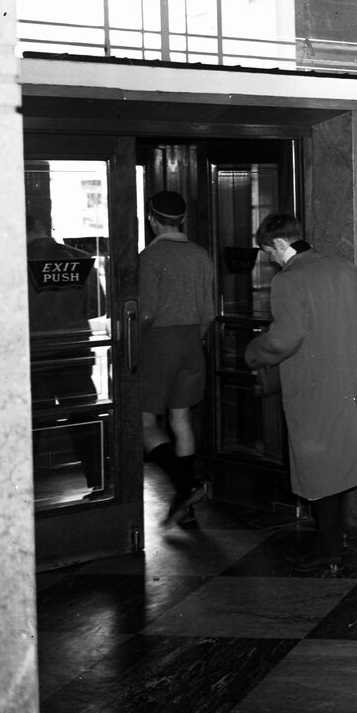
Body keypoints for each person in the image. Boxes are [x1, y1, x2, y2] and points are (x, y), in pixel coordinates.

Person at [245, 214, 357, 569]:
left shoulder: (288, 278)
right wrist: (342, 330)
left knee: (316, 459)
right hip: (346, 375)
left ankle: (328, 551)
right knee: (338, 455)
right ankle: (333, 543)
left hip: (310, 380)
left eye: (267, 252)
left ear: (278, 245)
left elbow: (285, 338)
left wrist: (253, 352)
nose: (270, 259)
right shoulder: (341, 267)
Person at [138, 190, 216, 528]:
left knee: (143, 422)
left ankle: (186, 486)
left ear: (153, 220)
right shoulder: (201, 255)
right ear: (181, 220)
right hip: (192, 341)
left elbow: (145, 313)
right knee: (181, 419)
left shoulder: (149, 258)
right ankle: (187, 507)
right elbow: (209, 312)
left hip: (158, 342)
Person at [26, 206, 103, 496]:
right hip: (75, 350)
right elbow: (99, 306)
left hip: (35, 352)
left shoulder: (16, 262)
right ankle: (100, 480)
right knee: (84, 418)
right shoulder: (80, 259)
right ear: (47, 227)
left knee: (31, 421)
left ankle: (22, 490)